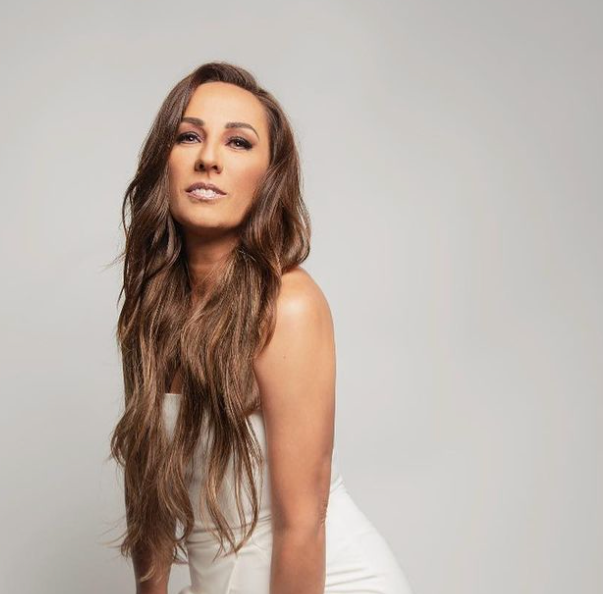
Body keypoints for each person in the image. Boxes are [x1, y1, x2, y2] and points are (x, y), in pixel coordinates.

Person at [108, 62, 413, 594]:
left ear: (269, 178)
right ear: (164, 161)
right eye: (189, 136)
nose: (209, 158)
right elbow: (149, 502)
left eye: (238, 143)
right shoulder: (153, 307)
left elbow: (303, 524)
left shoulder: (287, 305)